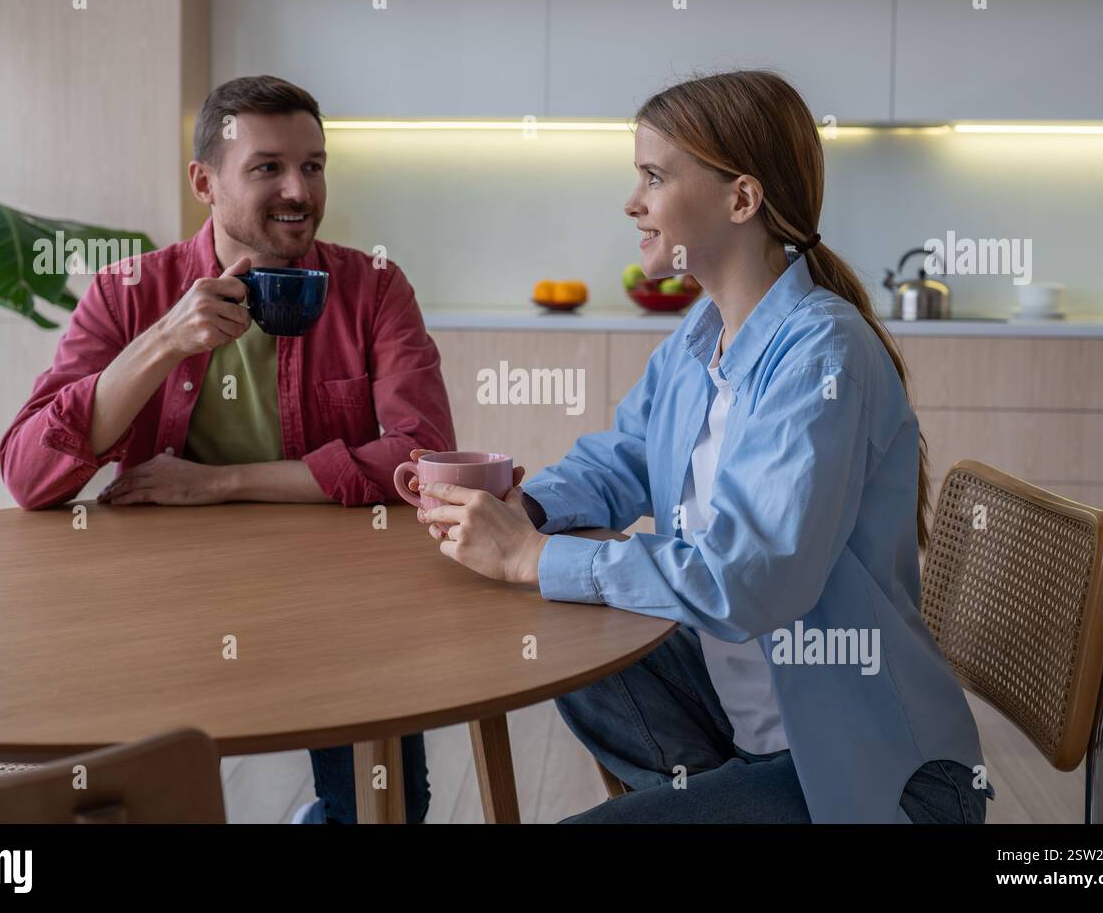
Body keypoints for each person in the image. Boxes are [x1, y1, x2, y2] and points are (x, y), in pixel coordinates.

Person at [406, 70, 994, 823]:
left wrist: (530, 555)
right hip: (750, 722)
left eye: (653, 176)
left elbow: (753, 581)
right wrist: (524, 505)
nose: (632, 202)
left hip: (863, 769)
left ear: (741, 200)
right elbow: (623, 457)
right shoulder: (703, 334)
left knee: (558, 588)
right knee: (567, 633)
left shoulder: (821, 356)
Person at [0, 74, 454, 824]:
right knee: (134, 799)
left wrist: (221, 483)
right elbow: (27, 474)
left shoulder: (373, 287)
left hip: (332, 589)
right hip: (158, 596)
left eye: (313, 166)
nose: (299, 191)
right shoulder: (130, 292)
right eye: (268, 167)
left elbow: (424, 456)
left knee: (391, 810)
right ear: (203, 182)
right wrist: (162, 341)